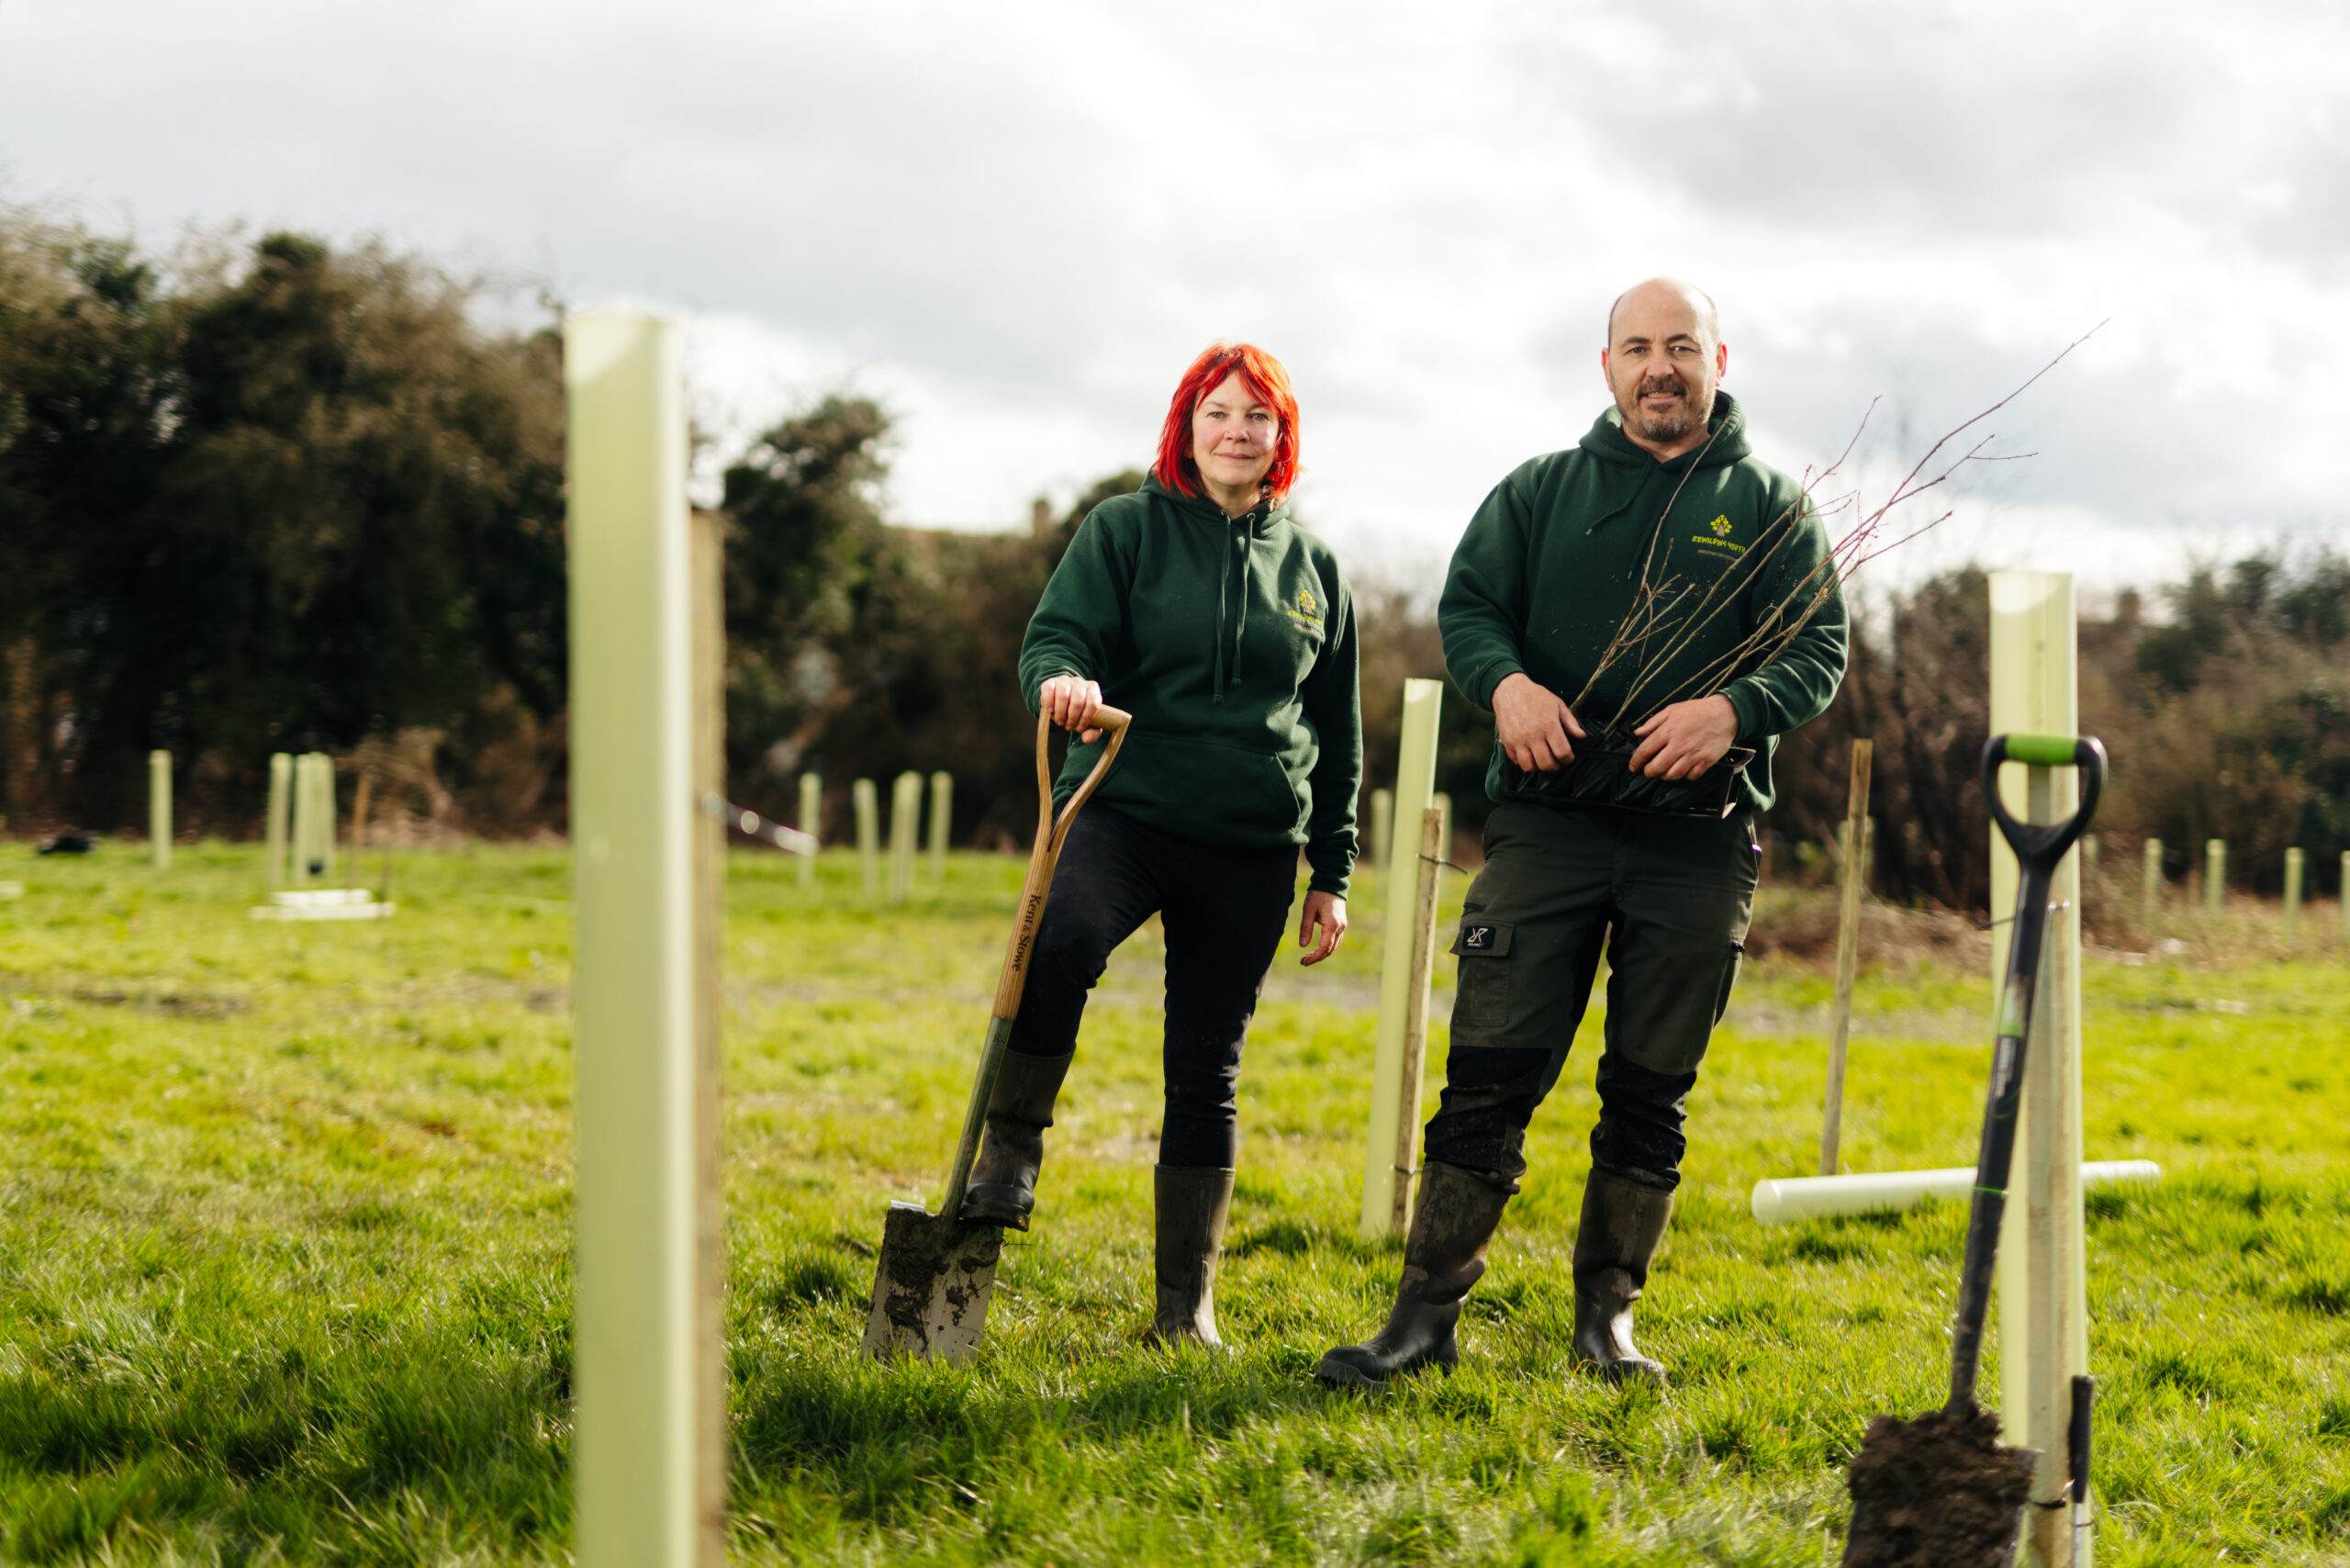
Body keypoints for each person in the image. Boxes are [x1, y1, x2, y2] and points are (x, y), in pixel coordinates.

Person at [1319, 279, 1848, 1389]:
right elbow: (1467, 610)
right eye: (1638, 347)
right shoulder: (1538, 493)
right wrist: (1504, 686)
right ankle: (1420, 1319)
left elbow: (1817, 651)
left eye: (1681, 347)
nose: (1660, 367)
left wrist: (1733, 710)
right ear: (1604, 365)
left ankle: (1605, 1323)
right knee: (1488, 1075)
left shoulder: (1769, 508)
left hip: (1695, 844)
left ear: (1718, 360)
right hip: (1549, 830)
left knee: (1651, 1087)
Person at [958, 342, 1363, 1349]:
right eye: (1218, 412)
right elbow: (1057, 638)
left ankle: (1185, 1310)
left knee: (1207, 1062)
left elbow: (1339, 729)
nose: (1237, 431)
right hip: (1123, 809)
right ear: (1187, 426)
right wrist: (1064, 683)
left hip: (1252, 842)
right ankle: (1010, 1148)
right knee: (1060, 942)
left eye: (1257, 417)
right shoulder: (1124, 531)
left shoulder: (1313, 569)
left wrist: (1333, 870)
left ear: (1282, 436)